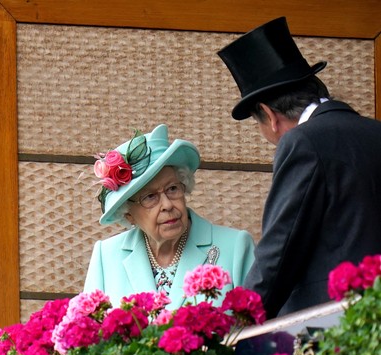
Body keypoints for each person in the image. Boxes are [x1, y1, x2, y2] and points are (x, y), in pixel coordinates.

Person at [218, 17, 381, 318]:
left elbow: (280, 249)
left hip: (336, 324)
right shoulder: (376, 131)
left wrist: (239, 321)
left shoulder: (301, 142)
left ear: (269, 115)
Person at [83, 124, 255, 306]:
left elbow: (260, 328)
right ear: (128, 214)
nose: (167, 205)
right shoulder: (106, 256)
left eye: (172, 189)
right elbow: (88, 330)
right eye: (150, 197)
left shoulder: (236, 248)